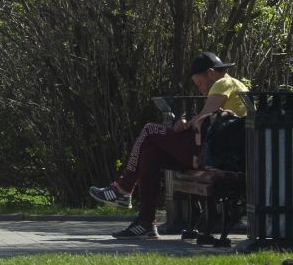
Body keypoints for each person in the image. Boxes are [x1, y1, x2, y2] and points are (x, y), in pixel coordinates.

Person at [90, 51, 250, 240]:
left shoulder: (224, 83)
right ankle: (145, 223)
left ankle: (123, 189)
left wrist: (186, 123)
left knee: (149, 130)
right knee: (151, 154)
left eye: (199, 83)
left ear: (211, 73)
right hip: (220, 155)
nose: (200, 90)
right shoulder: (241, 86)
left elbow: (206, 118)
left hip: (209, 153)